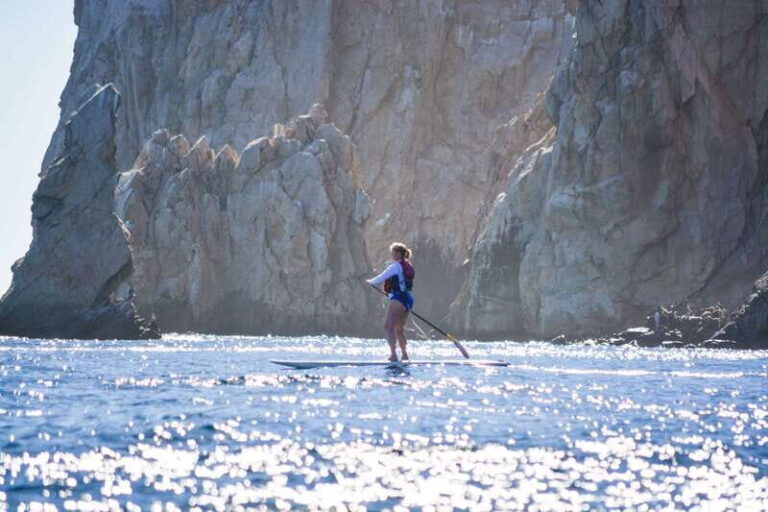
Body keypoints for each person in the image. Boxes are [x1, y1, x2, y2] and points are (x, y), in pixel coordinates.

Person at [366, 243, 415, 362]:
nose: (392, 255)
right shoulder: (409, 265)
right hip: (408, 298)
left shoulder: (395, 267)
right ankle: (404, 354)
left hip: (398, 299)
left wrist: (368, 282)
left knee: (388, 327)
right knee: (399, 329)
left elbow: (380, 278)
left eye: (393, 253)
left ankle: (393, 355)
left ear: (398, 254)